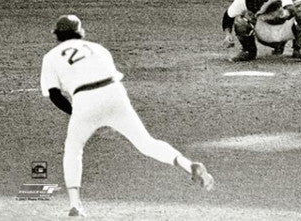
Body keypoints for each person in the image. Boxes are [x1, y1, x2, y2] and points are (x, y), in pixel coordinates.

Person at [40, 15, 214, 217]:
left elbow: (54, 94)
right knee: (146, 143)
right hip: (115, 93)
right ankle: (187, 164)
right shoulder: (98, 48)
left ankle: (75, 205)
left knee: (73, 149)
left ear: (58, 35)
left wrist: (77, 114)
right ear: (80, 31)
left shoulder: (51, 56)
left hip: (85, 99)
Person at [223, 0, 297, 62]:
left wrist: (284, 13)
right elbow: (229, 15)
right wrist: (228, 35)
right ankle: (248, 51)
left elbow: (292, 10)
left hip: (285, 31)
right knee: (241, 21)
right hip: (263, 33)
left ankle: (299, 47)